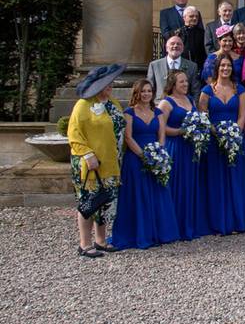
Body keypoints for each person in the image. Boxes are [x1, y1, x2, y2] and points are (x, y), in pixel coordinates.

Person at [67, 63, 126, 258]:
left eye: (110, 85)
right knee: (89, 202)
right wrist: (87, 154)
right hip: (90, 163)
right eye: (106, 85)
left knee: (105, 202)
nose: (110, 88)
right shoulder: (83, 105)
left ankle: (101, 240)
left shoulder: (114, 103)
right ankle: (84, 244)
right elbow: (74, 134)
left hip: (111, 161)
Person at [113, 79, 180, 249]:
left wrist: (158, 154)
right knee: (138, 194)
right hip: (136, 158)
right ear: (137, 93)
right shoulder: (129, 112)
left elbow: (162, 135)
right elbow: (128, 137)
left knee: (157, 193)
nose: (146, 94)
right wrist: (144, 156)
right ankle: (138, 233)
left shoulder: (157, 112)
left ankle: (159, 232)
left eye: (149, 91)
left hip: (155, 157)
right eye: (143, 91)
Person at [199, 54, 245, 235]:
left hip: (235, 141)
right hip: (214, 141)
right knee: (216, 181)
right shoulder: (207, 90)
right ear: (217, 68)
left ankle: (240, 221)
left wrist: (233, 134)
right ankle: (218, 222)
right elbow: (203, 115)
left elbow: (242, 115)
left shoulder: (239, 89)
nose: (225, 68)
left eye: (228, 66)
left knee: (236, 179)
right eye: (222, 65)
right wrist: (219, 133)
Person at [158, 69, 209, 240]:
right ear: (173, 84)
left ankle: (189, 223)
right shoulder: (166, 103)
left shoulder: (189, 100)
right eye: (181, 82)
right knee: (176, 184)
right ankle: (174, 226)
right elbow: (160, 128)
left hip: (190, 148)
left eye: (186, 81)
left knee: (189, 184)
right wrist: (181, 131)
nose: (186, 84)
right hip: (175, 147)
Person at [147, 34, 200, 100]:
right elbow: (149, 88)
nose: (175, 46)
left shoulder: (192, 66)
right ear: (166, 48)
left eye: (178, 44)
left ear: (183, 48)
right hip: (159, 105)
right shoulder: (154, 65)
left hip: (183, 106)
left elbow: (195, 90)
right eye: (172, 44)